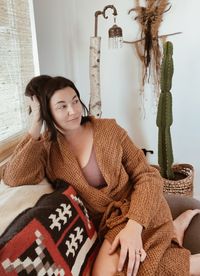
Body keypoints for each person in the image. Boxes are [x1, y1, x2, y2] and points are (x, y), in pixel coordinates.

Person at [3, 75, 200, 276]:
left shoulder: (108, 129)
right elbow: (14, 176)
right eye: (61, 106)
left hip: (142, 207)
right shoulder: (48, 149)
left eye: (75, 101)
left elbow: (147, 175)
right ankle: (177, 240)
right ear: (48, 112)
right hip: (110, 224)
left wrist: (134, 226)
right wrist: (36, 121)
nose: (73, 111)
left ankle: (191, 261)